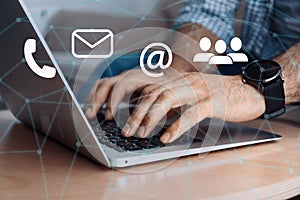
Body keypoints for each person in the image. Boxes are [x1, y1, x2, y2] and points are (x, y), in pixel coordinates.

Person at [86, 0, 300, 144]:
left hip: (285, 73)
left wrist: (261, 87)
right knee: (120, 69)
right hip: (256, 60)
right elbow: (210, 12)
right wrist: (175, 71)